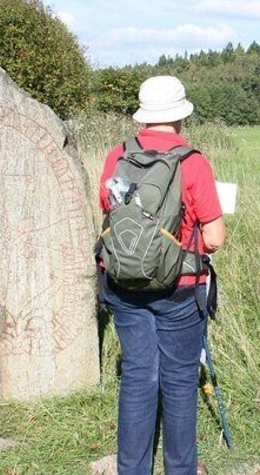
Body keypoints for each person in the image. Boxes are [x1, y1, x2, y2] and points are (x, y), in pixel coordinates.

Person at [98, 75, 226, 475]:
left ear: (144, 116)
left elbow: (110, 212)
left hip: (122, 283)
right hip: (179, 290)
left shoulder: (115, 155)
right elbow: (216, 238)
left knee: (138, 376)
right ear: (180, 116)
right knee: (179, 381)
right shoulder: (193, 162)